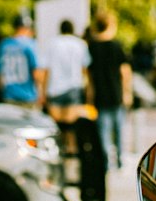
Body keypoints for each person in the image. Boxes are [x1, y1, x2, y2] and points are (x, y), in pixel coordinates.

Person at [88, 12, 132, 171]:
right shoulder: (116, 45)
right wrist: (127, 93)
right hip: (116, 94)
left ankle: (107, 163)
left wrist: (89, 96)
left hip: (100, 96)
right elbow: (125, 72)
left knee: (104, 133)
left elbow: (90, 76)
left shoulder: (91, 47)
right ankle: (120, 161)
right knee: (119, 131)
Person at [42, 19, 91, 121]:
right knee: (70, 127)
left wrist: (43, 92)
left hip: (55, 89)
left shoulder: (52, 43)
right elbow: (85, 70)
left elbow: (46, 70)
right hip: (74, 88)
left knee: (57, 127)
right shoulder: (80, 44)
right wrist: (88, 90)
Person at [0, 12, 41, 105]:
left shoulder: (4, 45)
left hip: (9, 95)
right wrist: (40, 92)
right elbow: (36, 72)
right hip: (28, 96)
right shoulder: (30, 44)